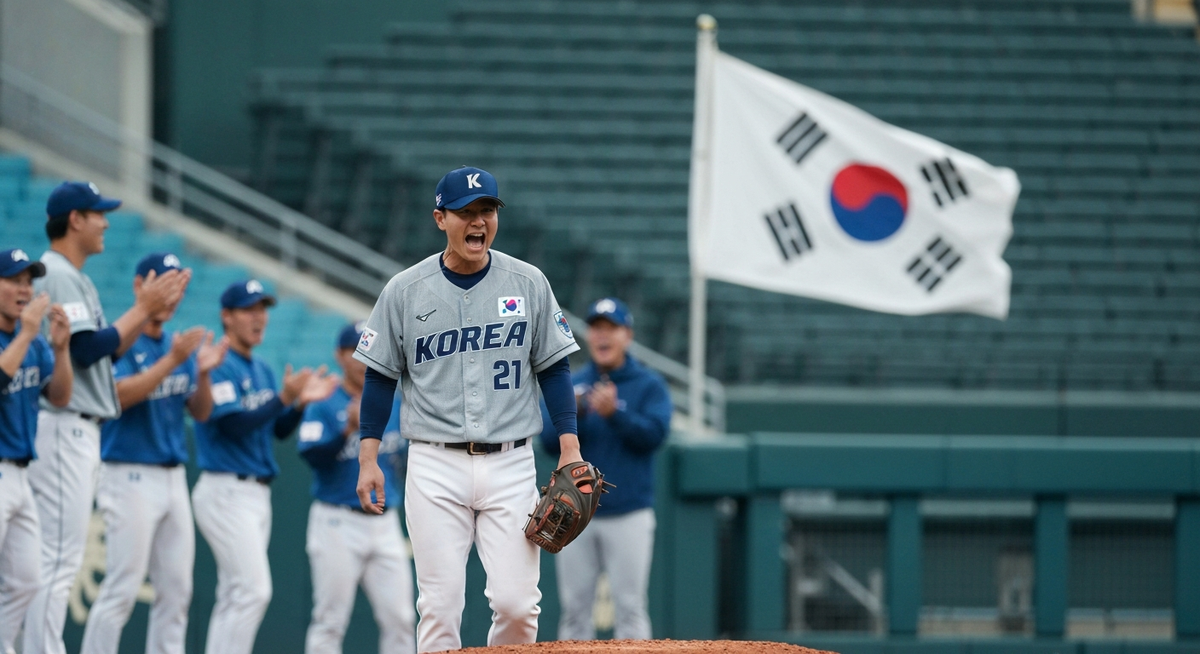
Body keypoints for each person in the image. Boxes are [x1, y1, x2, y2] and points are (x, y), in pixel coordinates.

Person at [353, 166, 582, 653]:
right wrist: (368, 458)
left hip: (511, 461)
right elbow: (379, 378)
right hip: (434, 462)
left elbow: (554, 369)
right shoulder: (404, 290)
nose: (479, 221)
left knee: (518, 606)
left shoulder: (528, 281)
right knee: (439, 607)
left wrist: (570, 446)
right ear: (440, 218)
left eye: (488, 210)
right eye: (466, 212)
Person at [25, 182, 189, 654]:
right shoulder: (58, 272)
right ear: (75, 219)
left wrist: (145, 313)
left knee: (49, 562)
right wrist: (143, 309)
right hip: (65, 423)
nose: (106, 223)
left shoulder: (70, 274)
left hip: (74, 426)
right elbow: (86, 349)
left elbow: (99, 351)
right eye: (98, 214)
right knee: (57, 561)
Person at [80, 252, 229, 654]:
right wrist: (173, 361)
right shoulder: (121, 341)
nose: (171, 295)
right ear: (139, 286)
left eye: (177, 287)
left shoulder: (175, 345)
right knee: (122, 588)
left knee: (177, 591)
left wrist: (202, 372)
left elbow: (201, 412)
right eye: (164, 283)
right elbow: (116, 398)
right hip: (129, 474)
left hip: (172, 476)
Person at [191, 279, 338, 654]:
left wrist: (298, 405)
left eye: (263, 309)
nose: (259, 317)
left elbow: (277, 429)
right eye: (249, 310)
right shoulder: (219, 365)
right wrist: (283, 397)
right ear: (227, 316)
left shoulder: (261, 368)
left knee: (234, 594)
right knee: (252, 591)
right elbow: (233, 425)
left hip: (253, 494)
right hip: (225, 488)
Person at [540, 297, 671, 641]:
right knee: (574, 611)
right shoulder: (571, 383)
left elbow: (655, 435)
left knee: (630, 608)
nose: (602, 335)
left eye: (611, 328)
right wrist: (576, 415)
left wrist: (617, 415)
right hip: (576, 514)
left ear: (627, 335)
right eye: (596, 328)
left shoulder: (648, 384)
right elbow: (547, 442)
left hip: (629, 512)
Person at [298, 321, 414, 654]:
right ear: (340, 355)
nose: (363, 357)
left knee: (401, 618)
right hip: (337, 520)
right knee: (330, 620)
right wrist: (346, 431)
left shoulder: (393, 402)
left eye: (369, 348)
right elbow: (311, 455)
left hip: (385, 521)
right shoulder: (324, 401)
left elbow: (404, 460)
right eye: (355, 349)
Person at [0, 248, 72, 652]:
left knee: (27, 580)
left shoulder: (34, 341)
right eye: (14, 280)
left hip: (20, 474)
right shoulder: (24, 336)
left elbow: (59, 396)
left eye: (29, 281)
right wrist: (27, 333)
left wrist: (60, 350)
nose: (25, 290)